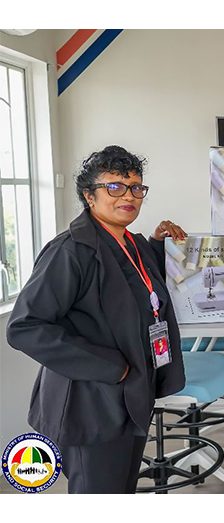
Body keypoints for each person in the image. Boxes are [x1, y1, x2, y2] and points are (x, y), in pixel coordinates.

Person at [6, 145, 189, 494]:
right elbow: (25, 328)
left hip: (131, 394)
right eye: (115, 187)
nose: (129, 196)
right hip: (91, 401)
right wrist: (113, 368)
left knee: (119, 490)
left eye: (136, 187)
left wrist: (158, 244)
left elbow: (132, 288)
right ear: (89, 196)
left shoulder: (130, 243)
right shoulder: (70, 251)